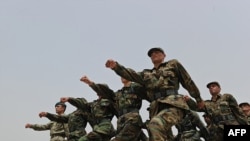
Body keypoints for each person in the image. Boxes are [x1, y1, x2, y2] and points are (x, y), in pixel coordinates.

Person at [105, 47, 204, 141]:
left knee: (155, 125)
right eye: (151, 54)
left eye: (157, 52)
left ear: (164, 55)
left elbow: (187, 81)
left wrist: (198, 98)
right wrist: (116, 67)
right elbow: (131, 74)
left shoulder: (173, 64)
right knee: (162, 135)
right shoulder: (146, 74)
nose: (154, 55)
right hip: (156, 108)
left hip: (174, 104)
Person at [80, 75, 149, 141]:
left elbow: (150, 95)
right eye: (121, 75)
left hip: (132, 119)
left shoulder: (136, 88)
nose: (122, 76)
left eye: (124, 74)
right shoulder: (118, 94)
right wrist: (90, 83)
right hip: (121, 121)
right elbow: (104, 92)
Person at [78, 76, 117, 141]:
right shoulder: (94, 104)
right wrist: (69, 99)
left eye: (101, 90)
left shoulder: (110, 100)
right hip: (97, 127)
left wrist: (89, 82)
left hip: (105, 127)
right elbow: (84, 105)